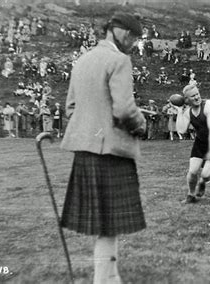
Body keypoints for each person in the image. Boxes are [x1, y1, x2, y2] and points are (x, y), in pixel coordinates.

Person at [59, 12, 147, 283]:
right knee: (109, 226)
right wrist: (141, 123)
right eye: (132, 37)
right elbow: (123, 109)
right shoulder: (119, 60)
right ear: (120, 32)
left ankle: (111, 276)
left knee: (104, 225)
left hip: (85, 150)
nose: (132, 44)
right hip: (111, 153)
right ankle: (104, 280)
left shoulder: (82, 60)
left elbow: (70, 108)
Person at [176, 84, 210, 204]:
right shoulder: (188, 112)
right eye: (193, 96)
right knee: (192, 172)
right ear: (187, 99)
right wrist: (179, 110)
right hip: (200, 142)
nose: (197, 97)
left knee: (205, 174)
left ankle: (203, 181)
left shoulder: (209, 106)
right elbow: (181, 130)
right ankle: (191, 195)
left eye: (197, 94)